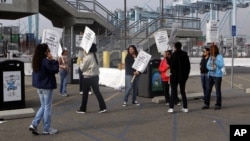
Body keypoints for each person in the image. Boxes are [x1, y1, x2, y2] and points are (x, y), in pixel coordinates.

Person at [29, 43, 59, 135]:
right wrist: (53, 60)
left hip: (39, 87)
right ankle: (47, 128)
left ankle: (34, 124)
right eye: (48, 51)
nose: (49, 52)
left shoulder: (36, 61)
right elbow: (54, 69)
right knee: (47, 107)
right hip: (46, 86)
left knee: (43, 106)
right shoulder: (45, 61)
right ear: (45, 52)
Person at [76, 43, 107, 113]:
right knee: (97, 92)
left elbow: (82, 68)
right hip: (95, 76)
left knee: (85, 94)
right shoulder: (96, 55)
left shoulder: (88, 57)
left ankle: (83, 109)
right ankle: (103, 107)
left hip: (88, 77)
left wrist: (81, 61)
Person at [168, 42, 190, 113]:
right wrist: (186, 75)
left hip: (174, 76)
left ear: (175, 47)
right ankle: (185, 107)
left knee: (173, 92)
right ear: (181, 46)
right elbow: (188, 66)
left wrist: (167, 58)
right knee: (183, 91)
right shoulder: (185, 55)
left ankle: (171, 108)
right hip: (183, 76)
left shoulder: (174, 55)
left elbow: (171, 65)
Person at [202, 44, 224, 110]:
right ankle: (206, 104)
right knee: (208, 90)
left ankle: (218, 104)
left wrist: (216, 61)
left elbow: (221, 65)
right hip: (210, 75)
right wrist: (211, 68)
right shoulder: (211, 57)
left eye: (212, 50)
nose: (211, 51)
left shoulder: (219, 56)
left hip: (217, 76)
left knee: (217, 90)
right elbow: (207, 65)